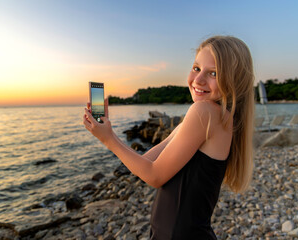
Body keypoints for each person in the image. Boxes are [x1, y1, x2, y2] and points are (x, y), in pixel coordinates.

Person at [83, 35, 255, 239]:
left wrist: (109, 140)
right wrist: (109, 134)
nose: (198, 80)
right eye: (197, 68)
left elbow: (154, 176)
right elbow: (148, 162)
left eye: (214, 73)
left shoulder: (204, 112)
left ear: (235, 80)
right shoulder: (218, 117)